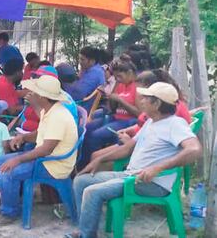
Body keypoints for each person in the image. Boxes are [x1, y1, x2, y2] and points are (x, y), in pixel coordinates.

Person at [68, 82, 202, 238]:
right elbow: (127, 148)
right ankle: (86, 229)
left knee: (92, 192)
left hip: (151, 183)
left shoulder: (175, 124)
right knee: (80, 180)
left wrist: (157, 168)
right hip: (131, 175)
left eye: (146, 98)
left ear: (157, 103)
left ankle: (86, 235)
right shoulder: (152, 121)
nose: (142, 101)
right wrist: (99, 160)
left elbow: (194, 149)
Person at [0, 75, 78, 225]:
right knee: (1, 161)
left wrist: (17, 159)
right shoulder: (50, 110)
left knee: (8, 171)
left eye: (35, 92)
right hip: (46, 159)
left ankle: (9, 212)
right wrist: (23, 138)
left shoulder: (58, 116)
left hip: (53, 165)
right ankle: (8, 202)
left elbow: (46, 149)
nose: (31, 94)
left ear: (43, 97)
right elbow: (41, 133)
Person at [78, 58, 140, 170]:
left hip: (128, 121)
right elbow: (112, 107)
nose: (118, 80)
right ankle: (81, 164)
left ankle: (88, 167)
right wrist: (112, 96)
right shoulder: (121, 84)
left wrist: (121, 101)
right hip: (114, 117)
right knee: (86, 129)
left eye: (120, 77)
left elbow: (139, 114)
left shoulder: (138, 87)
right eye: (116, 78)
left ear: (130, 73)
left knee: (95, 136)